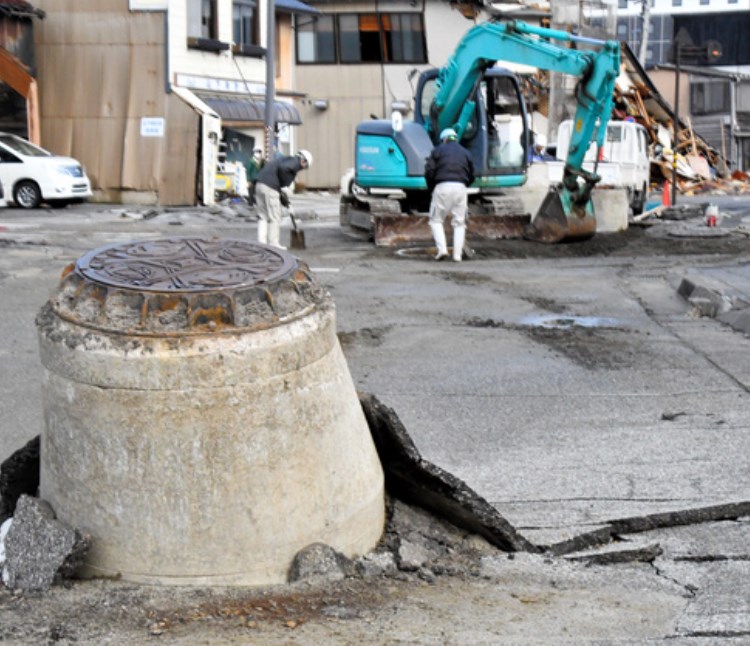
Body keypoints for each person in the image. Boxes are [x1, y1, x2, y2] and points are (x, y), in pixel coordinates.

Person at [424, 128, 475, 262]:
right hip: (461, 188)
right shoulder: (465, 153)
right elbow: (472, 174)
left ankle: (442, 250)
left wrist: (431, 188)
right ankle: (457, 255)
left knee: (436, 220)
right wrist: (464, 185)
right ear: (455, 138)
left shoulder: (437, 151)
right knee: (459, 223)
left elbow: (429, 171)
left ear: (443, 139)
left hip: (442, 186)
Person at [254, 149, 313, 248]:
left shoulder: (284, 159)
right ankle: (274, 244)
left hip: (259, 185)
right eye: (305, 167)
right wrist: (284, 182)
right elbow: (281, 174)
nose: (302, 169)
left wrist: (286, 203)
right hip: (270, 187)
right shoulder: (294, 163)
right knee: (275, 217)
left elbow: (277, 187)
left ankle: (261, 244)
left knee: (263, 216)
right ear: (303, 161)